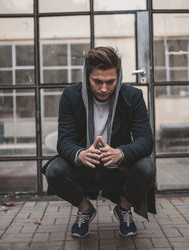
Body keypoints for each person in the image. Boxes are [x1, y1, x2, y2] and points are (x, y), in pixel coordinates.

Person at [42, 46, 156, 238]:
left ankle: (124, 209)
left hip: (118, 167)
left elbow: (145, 140)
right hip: (85, 166)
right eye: (97, 81)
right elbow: (64, 141)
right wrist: (80, 154)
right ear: (87, 77)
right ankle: (85, 209)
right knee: (54, 170)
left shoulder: (132, 96)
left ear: (118, 77)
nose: (104, 88)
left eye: (110, 82)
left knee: (147, 167)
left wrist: (122, 153)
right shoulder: (71, 95)